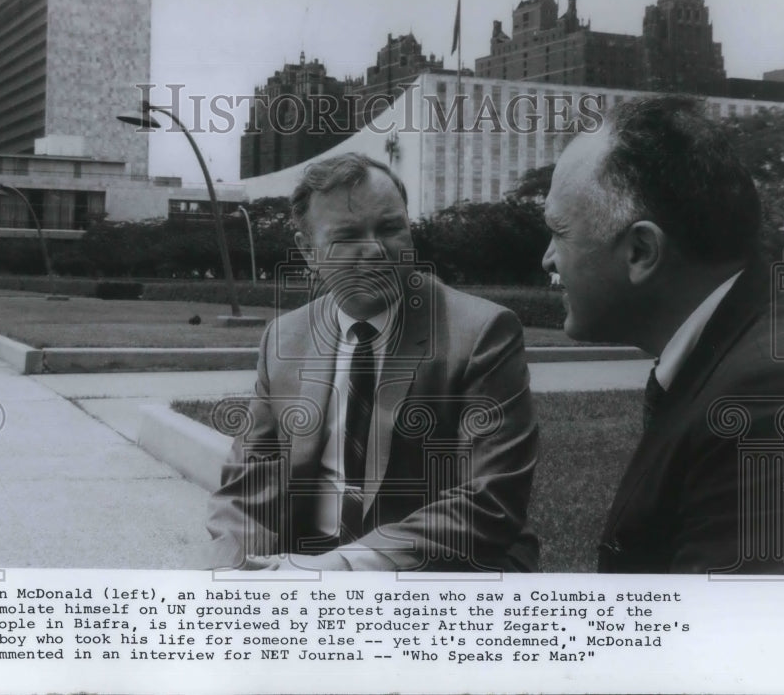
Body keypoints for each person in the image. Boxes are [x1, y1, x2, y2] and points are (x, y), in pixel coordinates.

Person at [206, 153, 540, 571]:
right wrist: (229, 571)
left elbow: (489, 500)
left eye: (390, 228)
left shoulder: (483, 332)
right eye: (348, 235)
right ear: (309, 252)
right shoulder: (283, 338)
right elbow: (247, 489)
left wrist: (340, 568)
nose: (376, 250)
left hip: (438, 576)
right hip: (303, 568)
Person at [542, 95, 784, 575]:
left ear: (641, 251)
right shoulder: (745, 350)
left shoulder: (766, 401)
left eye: (559, 233)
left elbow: (721, 640)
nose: (548, 260)